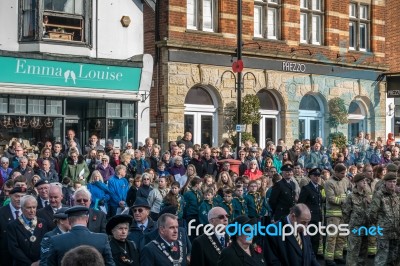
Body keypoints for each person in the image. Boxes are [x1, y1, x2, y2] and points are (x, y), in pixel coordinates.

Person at [46, 206, 114, 265]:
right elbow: (110, 264)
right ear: (87, 220)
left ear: (69, 221)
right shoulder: (102, 239)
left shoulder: (56, 240)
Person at [7, 195, 50, 266]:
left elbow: (46, 243)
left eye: (34, 207)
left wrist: (41, 261)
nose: (32, 211)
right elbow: (14, 249)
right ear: (22, 208)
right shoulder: (13, 226)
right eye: (29, 208)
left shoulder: (43, 222)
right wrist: (31, 264)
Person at [368, 172, 400, 265]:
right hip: (384, 231)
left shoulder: (395, 195)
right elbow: (372, 213)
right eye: (390, 182)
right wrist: (379, 224)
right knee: (381, 258)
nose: (392, 184)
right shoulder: (379, 194)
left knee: (393, 258)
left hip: (395, 231)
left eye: (394, 182)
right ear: (385, 182)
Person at [342, 173, 370, 266]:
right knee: (353, 253)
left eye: (365, 181)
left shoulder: (367, 195)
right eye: (362, 181)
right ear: (357, 183)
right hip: (355, 228)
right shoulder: (351, 196)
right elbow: (346, 212)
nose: (365, 183)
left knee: (363, 252)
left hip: (366, 227)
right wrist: (349, 226)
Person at [324, 163, 348, 266]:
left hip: (343, 213)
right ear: (336, 172)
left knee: (342, 236)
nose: (344, 175)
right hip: (333, 214)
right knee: (332, 237)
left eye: (345, 173)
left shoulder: (345, 181)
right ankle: (329, 259)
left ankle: (338, 256)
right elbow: (331, 198)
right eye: (342, 173)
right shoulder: (329, 183)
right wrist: (344, 200)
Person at [298, 167, 324, 256]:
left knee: (316, 240)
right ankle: (308, 258)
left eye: (319, 176)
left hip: (318, 218)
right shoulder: (306, 188)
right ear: (310, 177)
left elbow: (322, 201)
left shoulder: (320, 188)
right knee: (309, 239)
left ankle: (314, 257)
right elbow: (301, 203)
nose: (317, 177)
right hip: (309, 219)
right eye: (315, 175)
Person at [0, 186, 27, 266]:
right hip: (5, 258)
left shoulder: (29, 212)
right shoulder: (1, 213)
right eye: (17, 196)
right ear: (10, 196)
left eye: (22, 196)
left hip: (24, 258)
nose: (20, 199)